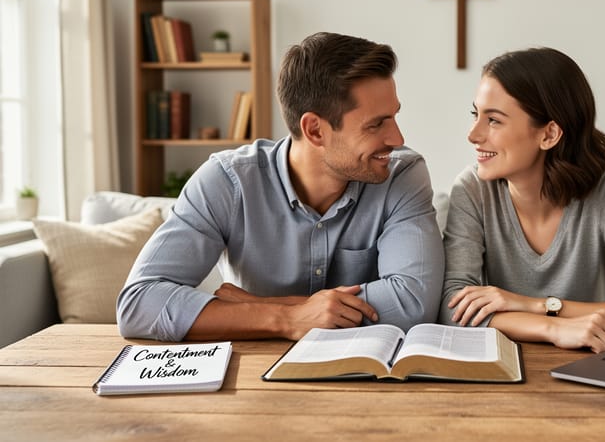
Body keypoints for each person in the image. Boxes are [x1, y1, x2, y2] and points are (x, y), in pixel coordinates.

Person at [118, 32, 445, 342]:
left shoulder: (401, 174)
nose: (397, 139)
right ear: (315, 130)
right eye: (376, 124)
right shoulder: (228, 182)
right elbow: (138, 303)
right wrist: (286, 319)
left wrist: (252, 307)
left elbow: (413, 304)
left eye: (393, 116)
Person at [439, 47, 605, 353]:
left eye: (494, 120)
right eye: (476, 115)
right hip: (503, 366)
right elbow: (452, 309)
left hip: (592, 364)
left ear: (549, 134)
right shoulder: (473, 190)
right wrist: (554, 327)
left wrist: (532, 304)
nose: (473, 134)